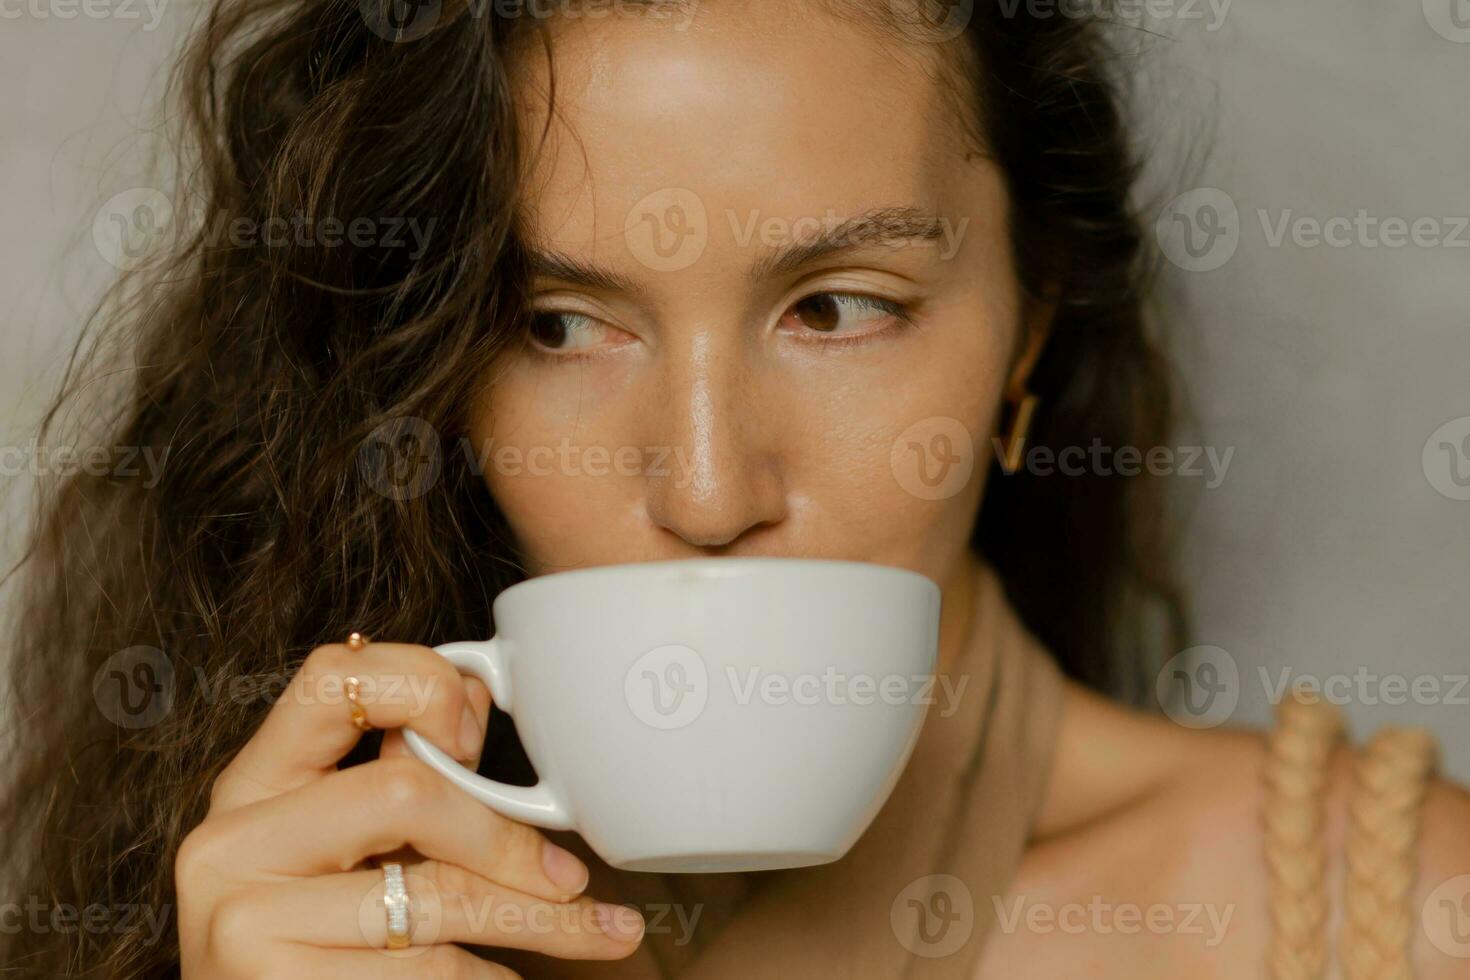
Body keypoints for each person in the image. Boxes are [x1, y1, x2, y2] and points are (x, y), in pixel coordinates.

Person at [3, 0, 1465, 976]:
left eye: (835, 308)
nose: (707, 491)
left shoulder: (1377, 914)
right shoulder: (297, 923)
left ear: (1027, 334)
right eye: (558, 324)